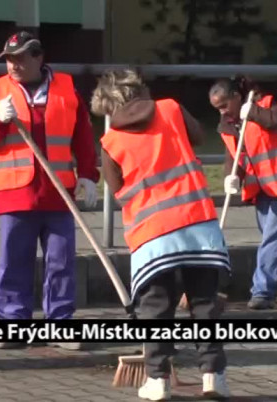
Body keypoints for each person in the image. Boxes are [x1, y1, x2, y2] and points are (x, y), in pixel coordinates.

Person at [92, 68, 231, 401]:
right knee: (205, 303)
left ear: (109, 106)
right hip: (197, 225)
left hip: (152, 238)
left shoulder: (110, 143)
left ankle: (157, 380)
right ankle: (213, 376)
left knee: (156, 308)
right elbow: (198, 137)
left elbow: (118, 190)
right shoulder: (170, 108)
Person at [0, 31, 100, 350]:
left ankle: (60, 325)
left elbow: (83, 134)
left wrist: (88, 175)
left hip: (59, 193)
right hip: (16, 193)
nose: (13, 65)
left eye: (20, 58)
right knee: (14, 261)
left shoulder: (66, 88)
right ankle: (12, 324)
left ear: (39, 58)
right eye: (9, 59)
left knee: (61, 262)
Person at [208, 76, 277, 310]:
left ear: (237, 97)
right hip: (262, 188)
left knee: (275, 239)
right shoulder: (229, 124)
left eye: (224, 105)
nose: (222, 111)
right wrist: (231, 175)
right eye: (217, 108)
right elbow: (233, 153)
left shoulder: (266, 106)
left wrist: (254, 112)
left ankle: (262, 291)